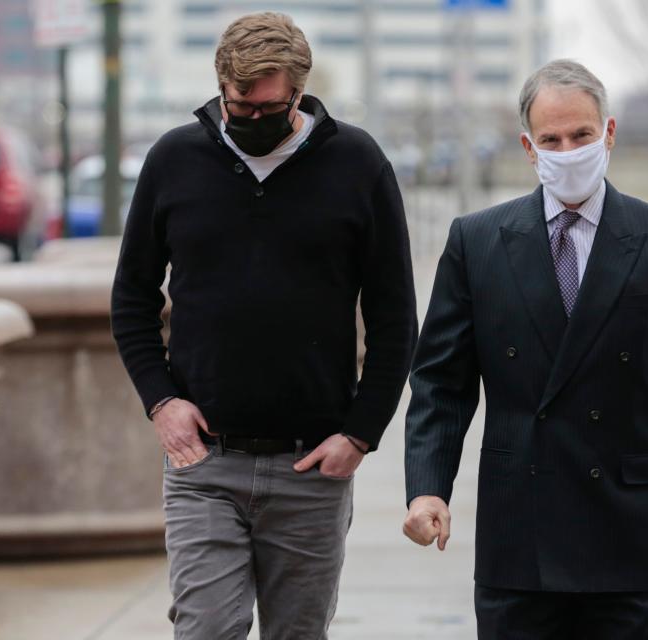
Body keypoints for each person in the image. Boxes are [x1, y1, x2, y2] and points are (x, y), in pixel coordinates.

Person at [402, 59, 648, 639]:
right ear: (530, 149)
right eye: (551, 139)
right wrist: (428, 486)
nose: (568, 149)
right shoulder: (475, 241)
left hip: (629, 535)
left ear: (608, 134)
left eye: (581, 135)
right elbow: (441, 382)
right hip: (519, 533)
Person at [110, 12, 417, 639]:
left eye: (269, 110)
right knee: (206, 630)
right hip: (205, 466)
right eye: (238, 108)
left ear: (298, 95)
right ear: (222, 90)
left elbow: (395, 318)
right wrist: (161, 402)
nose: (252, 121)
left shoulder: (357, 164)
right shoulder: (175, 160)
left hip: (312, 467)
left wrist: (360, 435)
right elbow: (131, 300)